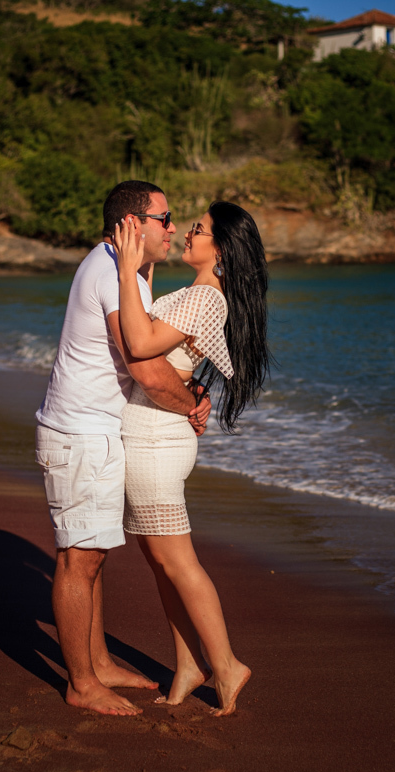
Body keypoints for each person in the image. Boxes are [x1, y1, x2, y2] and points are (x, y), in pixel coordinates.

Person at [35, 181, 211, 716]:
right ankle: (82, 683)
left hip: (93, 431)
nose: (174, 228)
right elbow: (144, 366)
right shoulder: (112, 274)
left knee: (92, 556)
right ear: (133, 225)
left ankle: (98, 662)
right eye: (166, 218)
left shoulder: (123, 269)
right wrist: (191, 406)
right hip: (82, 434)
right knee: (79, 560)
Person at [111, 201, 271, 716]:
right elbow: (171, 355)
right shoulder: (196, 294)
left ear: (220, 249)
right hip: (148, 431)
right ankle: (186, 665)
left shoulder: (206, 297)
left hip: (159, 438)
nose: (188, 233)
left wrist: (124, 271)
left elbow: (139, 342)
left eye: (198, 229)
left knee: (178, 561)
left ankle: (226, 665)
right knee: (160, 562)